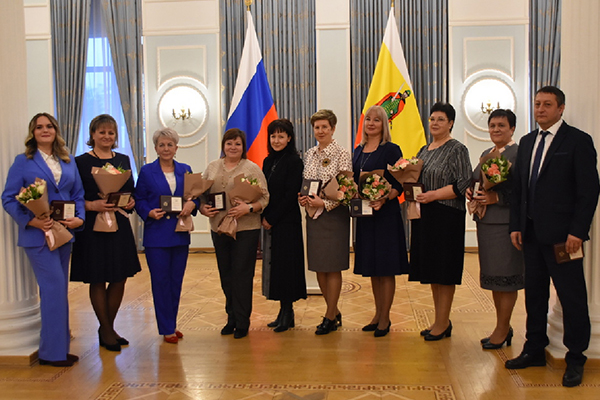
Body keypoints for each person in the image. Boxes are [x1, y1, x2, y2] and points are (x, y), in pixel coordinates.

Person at [506, 86, 600, 387]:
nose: (540, 109)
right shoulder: (527, 141)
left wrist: (577, 231)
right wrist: (516, 226)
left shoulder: (578, 141)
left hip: (564, 238)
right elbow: (519, 189)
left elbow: (588, 192)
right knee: (535, 295)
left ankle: (576, 358)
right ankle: (534, 348)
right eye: (537, 104)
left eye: (547, 104)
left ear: (561, 108)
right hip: (531, 235)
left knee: (572, 298)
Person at [2, 113, 85, 367]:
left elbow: (78, 194)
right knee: (53, 289)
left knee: (60, 291)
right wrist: (32, 221)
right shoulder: (23, 161)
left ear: (56, 131)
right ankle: (51, 353)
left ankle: (59, 348)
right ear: (33, 133)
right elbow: (8, 198)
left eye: (49, 126)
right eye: (39, 127)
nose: (45, 130)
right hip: (37, 236)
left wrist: (79, 218)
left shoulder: (68, 160)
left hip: (63, 234)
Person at [70, 114, 141, 352]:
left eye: (111, 132)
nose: (107, 136)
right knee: (98, 277)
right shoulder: (80, 162)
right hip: (92, 227)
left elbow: (130, 190)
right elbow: (74, 196)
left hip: (118, 224)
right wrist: (92, 205)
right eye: (102, 132)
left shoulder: (122, 159)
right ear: (92, 134)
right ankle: (107, 330)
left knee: (120, 277)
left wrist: (130, 201)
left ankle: (106, 328)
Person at [408, 102, 472, 341]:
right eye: (432, 119)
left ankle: (443, 322)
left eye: (441, 119)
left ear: (451, 123)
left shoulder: (457, 149)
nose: (434, 123)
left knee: (445, 271)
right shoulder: (424, 150)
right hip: (426, 216)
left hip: (447, 216)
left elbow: (463, 183)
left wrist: (433, 195)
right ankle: (440, 320)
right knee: (433, 271)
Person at [200, 128, 269, 339]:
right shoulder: (212, 167)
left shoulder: (252, 168)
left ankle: (242, 321)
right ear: (223, 145)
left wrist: (248, 208)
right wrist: (203, 208)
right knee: (226, 275)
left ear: (243, 147)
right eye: (229, 143)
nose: (233, 147)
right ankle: (231, 317)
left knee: (242, 275)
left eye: (237, 144)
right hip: (219, 228)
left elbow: (265, 198)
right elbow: (200, 194)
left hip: (246, 229)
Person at [465, 109, 523, 349]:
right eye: (492, 125)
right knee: (495, 278)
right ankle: (502, 325)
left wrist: (497, 198)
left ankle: (502, 328)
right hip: (486, 223)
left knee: (506, 277)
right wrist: (471, 190)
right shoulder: (486, 154)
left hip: (505, 224)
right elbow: (477, 179)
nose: (496, 129)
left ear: (512, 129)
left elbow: (522, 190)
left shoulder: (518, 154)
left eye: (501, 125)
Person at [135, 128, 198, 344]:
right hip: (156, 235)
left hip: (179, 234)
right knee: (161, 282)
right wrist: (149, 212)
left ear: (176, 147)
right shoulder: (147, 171)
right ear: (155, 148)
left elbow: (195, 195)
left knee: (176, 281)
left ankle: (171, 323)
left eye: (170, 144)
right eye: (161, 145)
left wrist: (192, 204)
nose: (166, 148)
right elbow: (139, 199)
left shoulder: (185, 169)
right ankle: (166, 328)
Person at [352, 105, 409, 337]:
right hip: (366, 217)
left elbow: (399, 183)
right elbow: (354, 180)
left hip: (386, 216)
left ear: (384, 124)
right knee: (373, 268)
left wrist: (384, 198)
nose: (371, 123)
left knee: (386, 269)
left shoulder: (391, 149)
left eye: (376, 120)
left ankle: (385, 317)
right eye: (368, 119)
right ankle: (377, 314)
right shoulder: (358, 150)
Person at [299, 109, 352, 335]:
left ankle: (329, 316)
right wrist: (303, 197)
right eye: (317, 127)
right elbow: (306, 183)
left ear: (333, 129)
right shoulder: (310, 154)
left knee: (333, 266)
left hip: (334, 216)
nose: (320, 131)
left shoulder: (342, 153)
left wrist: (326, 203)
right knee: (319, 266)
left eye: (324, 127)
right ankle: (334, 310)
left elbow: (347, 190)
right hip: (313, 216)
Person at [262, 119, 307, 332]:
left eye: (281, 136)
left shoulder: (294, 161)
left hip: (287, 221)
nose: (276, 140)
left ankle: (288, 312)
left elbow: (290, 195)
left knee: (287, 267)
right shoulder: (267, 161)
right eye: (273, 136)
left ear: (289, 138)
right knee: (276, 267)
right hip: (271, 220)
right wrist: (264, 215)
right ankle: (283, 312)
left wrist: (272, 218)